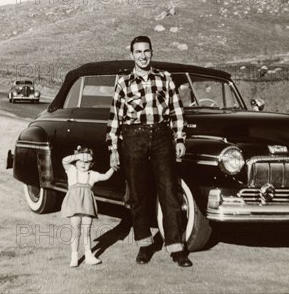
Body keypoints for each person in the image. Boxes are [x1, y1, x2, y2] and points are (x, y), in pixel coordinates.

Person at [106, 35, 193, 267]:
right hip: (133, 139)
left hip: (162, 137)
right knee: (138, 194)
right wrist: (113, 149)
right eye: (138, 52)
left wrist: (180, 139)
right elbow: (114, 118)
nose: (143, 56)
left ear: (152, 52)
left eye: (147, 51)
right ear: (132, 54)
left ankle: (176, 248)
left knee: (170, 192)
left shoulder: (164, 78)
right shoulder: (123, 82)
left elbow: (176, 110)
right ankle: (145, 244)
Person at [61, 146, 115, 267]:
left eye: (87, 162)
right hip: (74, 205)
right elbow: (64, 160)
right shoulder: (71, 171)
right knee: (76, 230)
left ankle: (88, 255)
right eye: (80, 161)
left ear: (91, 164)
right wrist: (80, 156)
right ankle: (74, 256)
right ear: (76, 161)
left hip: (87, 206)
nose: (83, 164)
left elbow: (106, 176)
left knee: (86, 231)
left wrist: (113, 168)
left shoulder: (93, 174)